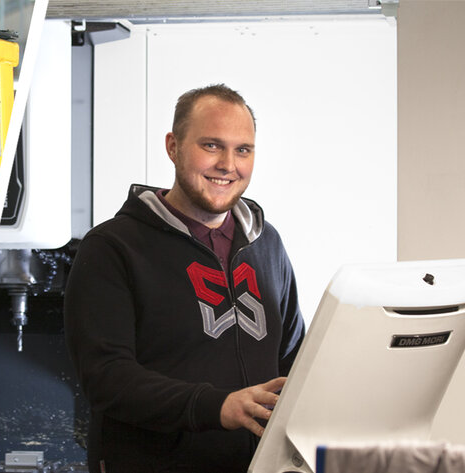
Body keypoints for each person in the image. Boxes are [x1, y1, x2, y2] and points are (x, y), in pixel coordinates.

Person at [65, 84, 306, 472]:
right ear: (173, 147)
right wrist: (218, 406)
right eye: (211, 146)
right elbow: (106, 378)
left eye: (243, 150)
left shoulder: (267, 243)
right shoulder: (112, 247)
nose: (228, 164)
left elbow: (294, 359)